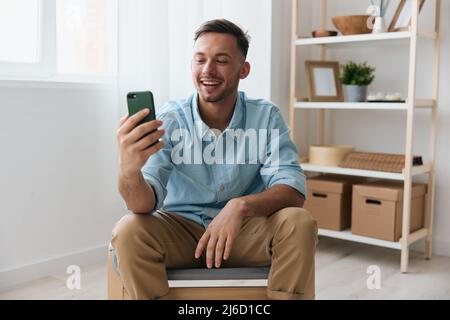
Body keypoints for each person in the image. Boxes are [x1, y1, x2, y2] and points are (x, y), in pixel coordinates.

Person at [112, 18, 318, 300]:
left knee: (299, 222)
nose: (208, 70)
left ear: (243, 70)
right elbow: (141, 205)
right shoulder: (170, 119)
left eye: (221, 60)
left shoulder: (266, 116)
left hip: (244, 234)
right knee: (128, 230)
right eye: (200, 60)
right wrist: (129, 169)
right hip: (181, 232)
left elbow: (293, 191)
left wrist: (240, 206)